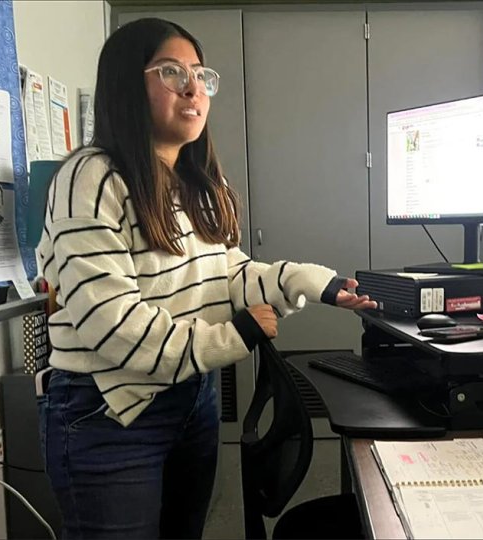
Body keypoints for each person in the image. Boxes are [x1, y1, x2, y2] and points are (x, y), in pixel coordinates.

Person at [36, 17, 375, 539]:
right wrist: (235, 335)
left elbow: (228, 275)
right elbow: (112, 326)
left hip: (192, 395)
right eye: (172, 72)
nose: (194, 88)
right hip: (110, 410)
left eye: (200, 74)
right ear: (128, 81)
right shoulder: (91, 177)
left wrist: (313, 282)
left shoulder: (200, 182)